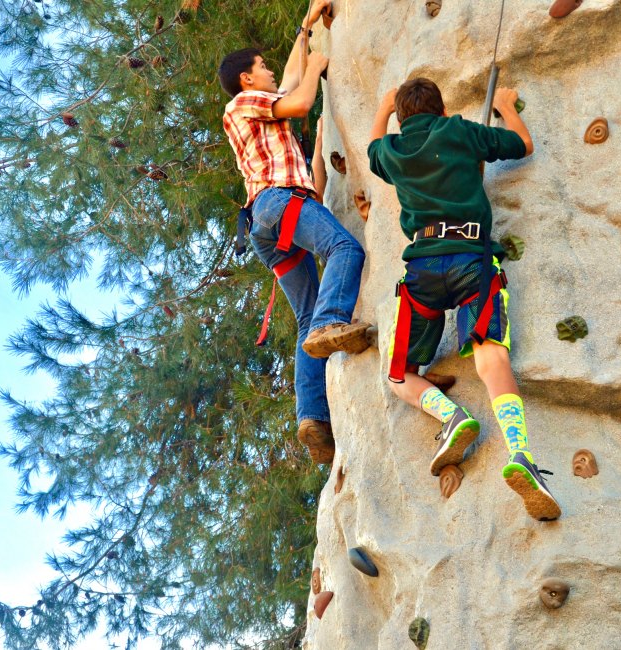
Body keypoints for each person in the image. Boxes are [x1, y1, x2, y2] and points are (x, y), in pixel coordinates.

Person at [366, 77, 561, 521]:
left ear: (401, 118)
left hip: (423, 270)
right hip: (472, 257)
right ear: (440, 108)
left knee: (399, 377)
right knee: (490, 358)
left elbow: (374, 144)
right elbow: (522, 144)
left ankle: (452, 418)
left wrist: (382, 110)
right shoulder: (458, 132)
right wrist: (508, 105)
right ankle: (521, 455)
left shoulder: (392, 152)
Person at [218, 0, 369, 465]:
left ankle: (313, 419)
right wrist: (319, 65)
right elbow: (300, 97)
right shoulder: (243, 101)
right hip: (279, 202)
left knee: (304, 320)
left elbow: (286, 84)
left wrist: (306, 27)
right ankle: (331, 323)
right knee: (345, 248)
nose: (267, 73)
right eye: (260, 67)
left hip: (265, 224)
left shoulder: (259, 105)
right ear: (246, 78)